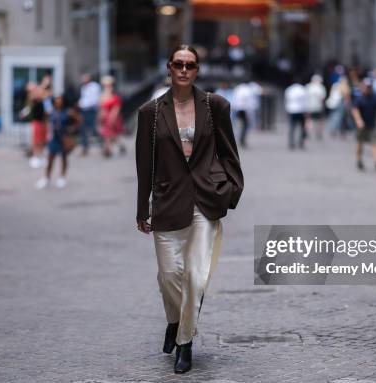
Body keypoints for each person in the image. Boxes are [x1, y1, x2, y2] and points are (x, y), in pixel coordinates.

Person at [135, 45, 243, 374]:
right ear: (169, 67)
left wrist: (229, 190)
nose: (184, 70)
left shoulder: (215, 106)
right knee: (169, 276)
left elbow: (229, 152)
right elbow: (144, 164)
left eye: (190, 65)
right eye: (179, 64)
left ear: (197, 70)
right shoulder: (151, 112)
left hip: (205, 202)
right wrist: (143, 208)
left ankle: (185, 342)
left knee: (196, 275)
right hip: (168, 201)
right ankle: (174, 321)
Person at [35, 95, 80, 189]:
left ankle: (62, 177)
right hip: (54, 138)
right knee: (50, 159)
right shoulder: (52, 112)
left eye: (60, 100)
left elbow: (78, 120)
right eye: (56, 100)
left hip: (64, 138)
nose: (58, 102)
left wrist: (72, 129)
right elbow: (46, 121)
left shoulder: (68, 112)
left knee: (64, 158)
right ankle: (46, 178)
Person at [351, 80, 376, 171]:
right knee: (360, 144)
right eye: (366, 87)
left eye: (369, 87)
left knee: (374, 143)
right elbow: (355, 110)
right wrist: (358, 120)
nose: (367, 89)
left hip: (371, 125)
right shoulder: (359, 99)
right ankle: (359, 159)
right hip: (361, 126)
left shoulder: (374, 99)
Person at [99, 75, 125, 157]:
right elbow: (101, 108)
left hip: (112, 117)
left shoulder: (115, 97)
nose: (107, 87)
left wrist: (112, 117)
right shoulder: (103, 96)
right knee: (108, 134)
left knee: (111, 134)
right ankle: (109, 148)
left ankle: (108, 149)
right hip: (105, 117)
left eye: (109, 85)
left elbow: (116, 109)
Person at [77, 73, 100, 155]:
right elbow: (83, 98)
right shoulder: (83, 87)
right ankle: (85, 147)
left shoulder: (94, 86)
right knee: (83, 128)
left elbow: (94, 100)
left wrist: (83, 104)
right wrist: (80, 104)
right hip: (84, 110)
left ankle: (103, 145)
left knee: (94, 128)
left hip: (91, 110)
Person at [284, 78, 307, 149]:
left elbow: (287, 100)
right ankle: (301, 142)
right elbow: (305, 101)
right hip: (301, 110)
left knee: (292, 127)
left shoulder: (289, 89)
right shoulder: (303, 89)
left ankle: (291, 142)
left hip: (291, 110)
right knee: (302, 127)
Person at [305, 74, 327, 140]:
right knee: (319, 121)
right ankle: (318, 133)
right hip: (318, 107)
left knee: (308, 120)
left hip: (309, 106)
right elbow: (322, 98)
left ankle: (307, 132)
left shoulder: (308, 87)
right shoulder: (321, 87)